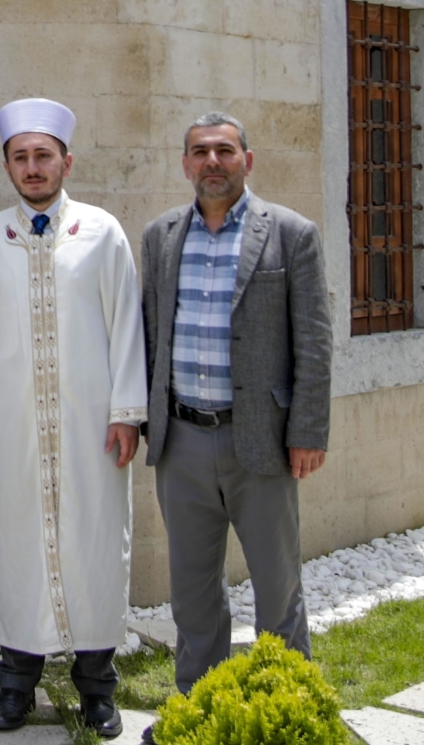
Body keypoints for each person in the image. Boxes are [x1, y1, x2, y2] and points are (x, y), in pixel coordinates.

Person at [0, 97, 145, 738]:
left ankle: (97, 686)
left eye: (44, 156)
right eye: (22, 158)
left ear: (66, 160)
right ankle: (16, 683)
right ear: (7, 165)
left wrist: (128, 413)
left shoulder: (102, 231)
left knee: (94, 543)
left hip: (91, 426)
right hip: (13, 426)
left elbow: (127, 324)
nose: (33, 168)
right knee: (16, 545)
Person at [142, 111, 332, 704]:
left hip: (262, 441)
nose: (212, 162)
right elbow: (151, 335)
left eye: (225, 151)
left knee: (277, 586)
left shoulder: (291, 233)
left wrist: (308, 430)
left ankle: (286, 707)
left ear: (247, 160)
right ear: (185, 164)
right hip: (183, 441)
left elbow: (315, 340)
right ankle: (199, 706)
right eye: (200, 152)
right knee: (193, 592)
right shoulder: (162, 236)